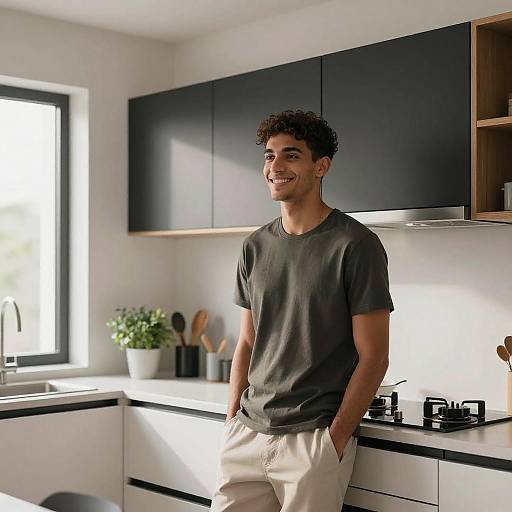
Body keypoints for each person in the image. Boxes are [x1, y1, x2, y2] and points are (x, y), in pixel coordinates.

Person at [210, 110, 394, 512]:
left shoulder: (355, 245)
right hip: (247, 432)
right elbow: (246, 341)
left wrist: (335, 438)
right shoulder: (254, 246)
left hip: (312, 439)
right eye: (269, 155)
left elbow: (375, 356)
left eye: (291, 155)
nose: (275, 166)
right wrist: (231, 421)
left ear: (321, 166)